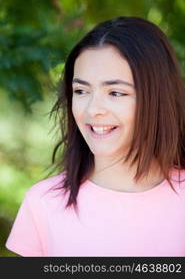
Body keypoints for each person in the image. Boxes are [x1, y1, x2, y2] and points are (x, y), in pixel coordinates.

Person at [6, 16, 185, 257]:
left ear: (156, 98)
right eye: (81, 90)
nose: (92, 109)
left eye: (115, 92)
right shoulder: (43, 204)